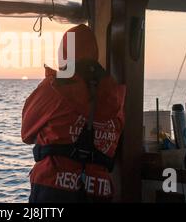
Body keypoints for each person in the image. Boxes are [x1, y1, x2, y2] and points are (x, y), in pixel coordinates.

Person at [21, 24, 126, 202]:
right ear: (94, 53)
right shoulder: (116, 96)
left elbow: (26, 133)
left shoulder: (53, 88)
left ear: (63, 53)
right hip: (100, 191)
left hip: (52, 188)